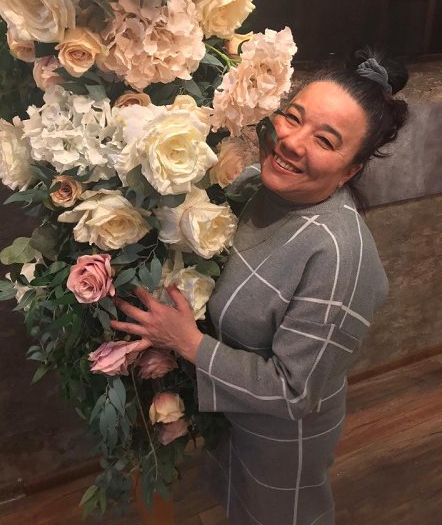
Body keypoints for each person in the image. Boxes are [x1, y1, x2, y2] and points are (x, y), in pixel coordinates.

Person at [110, 46, 409, 525]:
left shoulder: (337, 255)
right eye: (294, 117)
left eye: (325, 140)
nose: (291, 142)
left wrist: (188, 343)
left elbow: (294, 392)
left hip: (280, 439)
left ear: (351, 169)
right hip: (232, 415)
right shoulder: (254, 186)